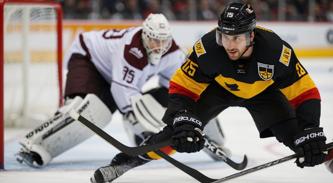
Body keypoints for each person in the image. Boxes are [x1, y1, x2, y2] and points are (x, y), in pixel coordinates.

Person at [90, 2, 331, 183]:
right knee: (176, 134)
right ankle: (124, 163)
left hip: (264, 93)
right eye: (225, 36)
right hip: (219, 90)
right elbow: (181, 87)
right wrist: (182, 118)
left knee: (304, 141)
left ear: (251, 35)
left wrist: (309, 128)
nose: (229, 44)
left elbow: (306, 92)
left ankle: (331, 159)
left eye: (236, 37)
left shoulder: (276, 51)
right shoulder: (206, 49)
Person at [16, 13, 227, 168]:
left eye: (163, 40)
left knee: (181, 95)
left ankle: (217, 141)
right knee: (88, 111)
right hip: (88, 59)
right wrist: (142, 128)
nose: (159, 45)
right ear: (145, 35)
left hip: (116, 77)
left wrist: (191, 118)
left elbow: (181, 89)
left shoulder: (172, 53)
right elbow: (122, 90)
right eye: (154, 39)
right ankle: (35, 145)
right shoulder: (131, 48)